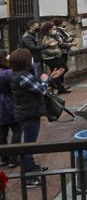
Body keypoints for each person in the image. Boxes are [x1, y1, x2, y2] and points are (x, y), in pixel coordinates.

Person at [10, 48, 62, 187]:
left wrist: (50, 77)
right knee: (29, 144)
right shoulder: (23, 76)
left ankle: (32, 167)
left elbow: (35, 86)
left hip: (25, 111)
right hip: (29, 113)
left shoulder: (18, 74)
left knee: (29, 142)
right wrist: (46, 80)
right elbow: (41, 90)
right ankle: (29, 177)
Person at [0, 50, 20, 168]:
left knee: (2, 132)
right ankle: (14, 157)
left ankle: (4, 157)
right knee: (17, 130)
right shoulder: (9, 73)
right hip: (9, 103)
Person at [40, 23, 69, 94]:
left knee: (58, 71)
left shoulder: (54, 36)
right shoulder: (46, 38)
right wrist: (56, 51)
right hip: (50, 58)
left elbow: (59, 44)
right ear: (49, 30)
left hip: (56, 57)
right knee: (63, 68)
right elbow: (44, 50)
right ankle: (54, 83)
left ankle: (60, 88)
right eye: (53, 29)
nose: (55, 30)